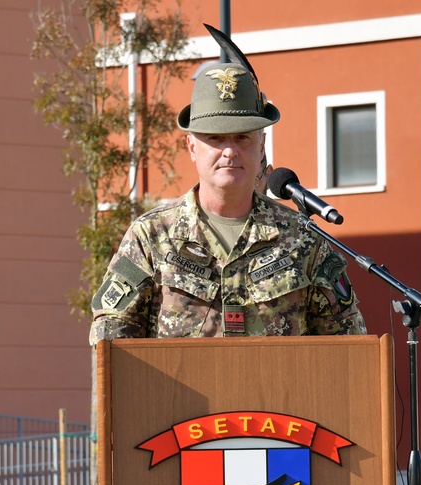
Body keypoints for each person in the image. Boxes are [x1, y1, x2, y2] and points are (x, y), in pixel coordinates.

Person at [89, 58, 366, 343]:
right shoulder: (151, 237)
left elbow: (347, 340)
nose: (230, 151)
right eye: (216, 138)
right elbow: (110, 339)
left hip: (279, 389)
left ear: (261, 146)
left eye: (242, 137)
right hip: (177, 389)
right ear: (192, 146)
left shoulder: (302, 238)